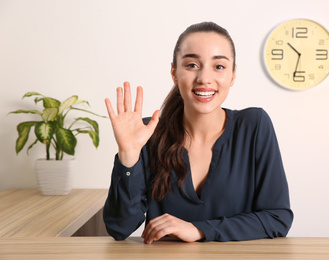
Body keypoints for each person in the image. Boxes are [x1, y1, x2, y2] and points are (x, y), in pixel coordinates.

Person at [103, 21, 293, 244]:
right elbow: (119, 227)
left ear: (233, 75)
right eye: (192, 65)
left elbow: (277, 218)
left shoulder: (254, 125)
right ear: (174, 72)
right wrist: (128, 157)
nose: (204, 78)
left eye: (219, 66)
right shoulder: (147, 133)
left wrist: (199, 230)